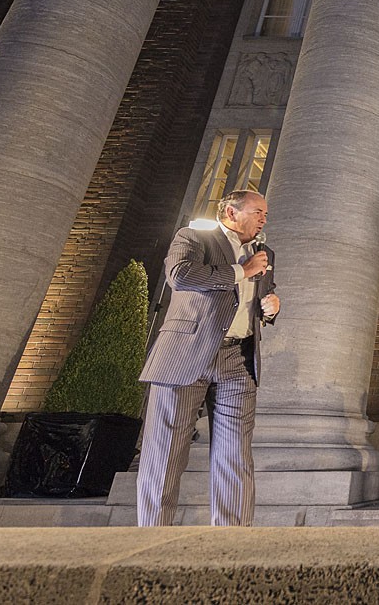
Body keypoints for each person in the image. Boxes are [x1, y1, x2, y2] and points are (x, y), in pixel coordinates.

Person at [137, 189, 279, 526]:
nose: (263, 219)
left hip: (238, 358)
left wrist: (271, 307)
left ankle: (230, 542)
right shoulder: (194, 238)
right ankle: (151, 538)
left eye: (265, 215)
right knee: (166, 452)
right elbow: (181, 276)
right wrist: (240, 271)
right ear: (231, 212)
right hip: (187, 354)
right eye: (257, 212)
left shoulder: (263, 252)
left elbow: (261, 295)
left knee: (235, 456)